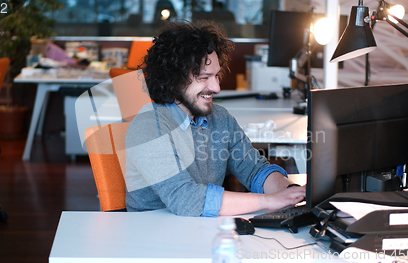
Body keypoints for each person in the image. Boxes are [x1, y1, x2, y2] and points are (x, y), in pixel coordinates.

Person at [123, 21, 305, 217]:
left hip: (201, 230)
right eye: (204, 77)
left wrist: (290, 192)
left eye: (216, 76)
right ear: (173, 79)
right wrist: (269, 201)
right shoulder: (148, 126)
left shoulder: (220, 117)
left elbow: (254, 170)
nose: (216, 87)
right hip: (150, 237)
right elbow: (186, 199)